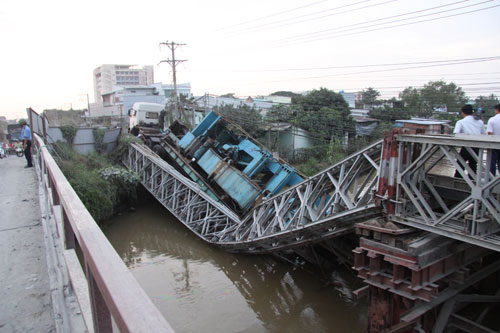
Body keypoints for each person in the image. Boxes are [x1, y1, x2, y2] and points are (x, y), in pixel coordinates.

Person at [453, 104, 485, 178]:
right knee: (473, 165)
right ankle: (472, 181)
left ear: (463, 112)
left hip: (466, 146)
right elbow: (484, 134)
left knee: (460, 163)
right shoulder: (480, 122)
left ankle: (458, 179)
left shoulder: (461, 122)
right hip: (477, 147)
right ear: (472, 112)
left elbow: (456, 133)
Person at [487, 104, 500, 175]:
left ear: (497, 110)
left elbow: (489, 132)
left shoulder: (492, 120)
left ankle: (491, 180)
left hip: (494, 144)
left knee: (492, 163)